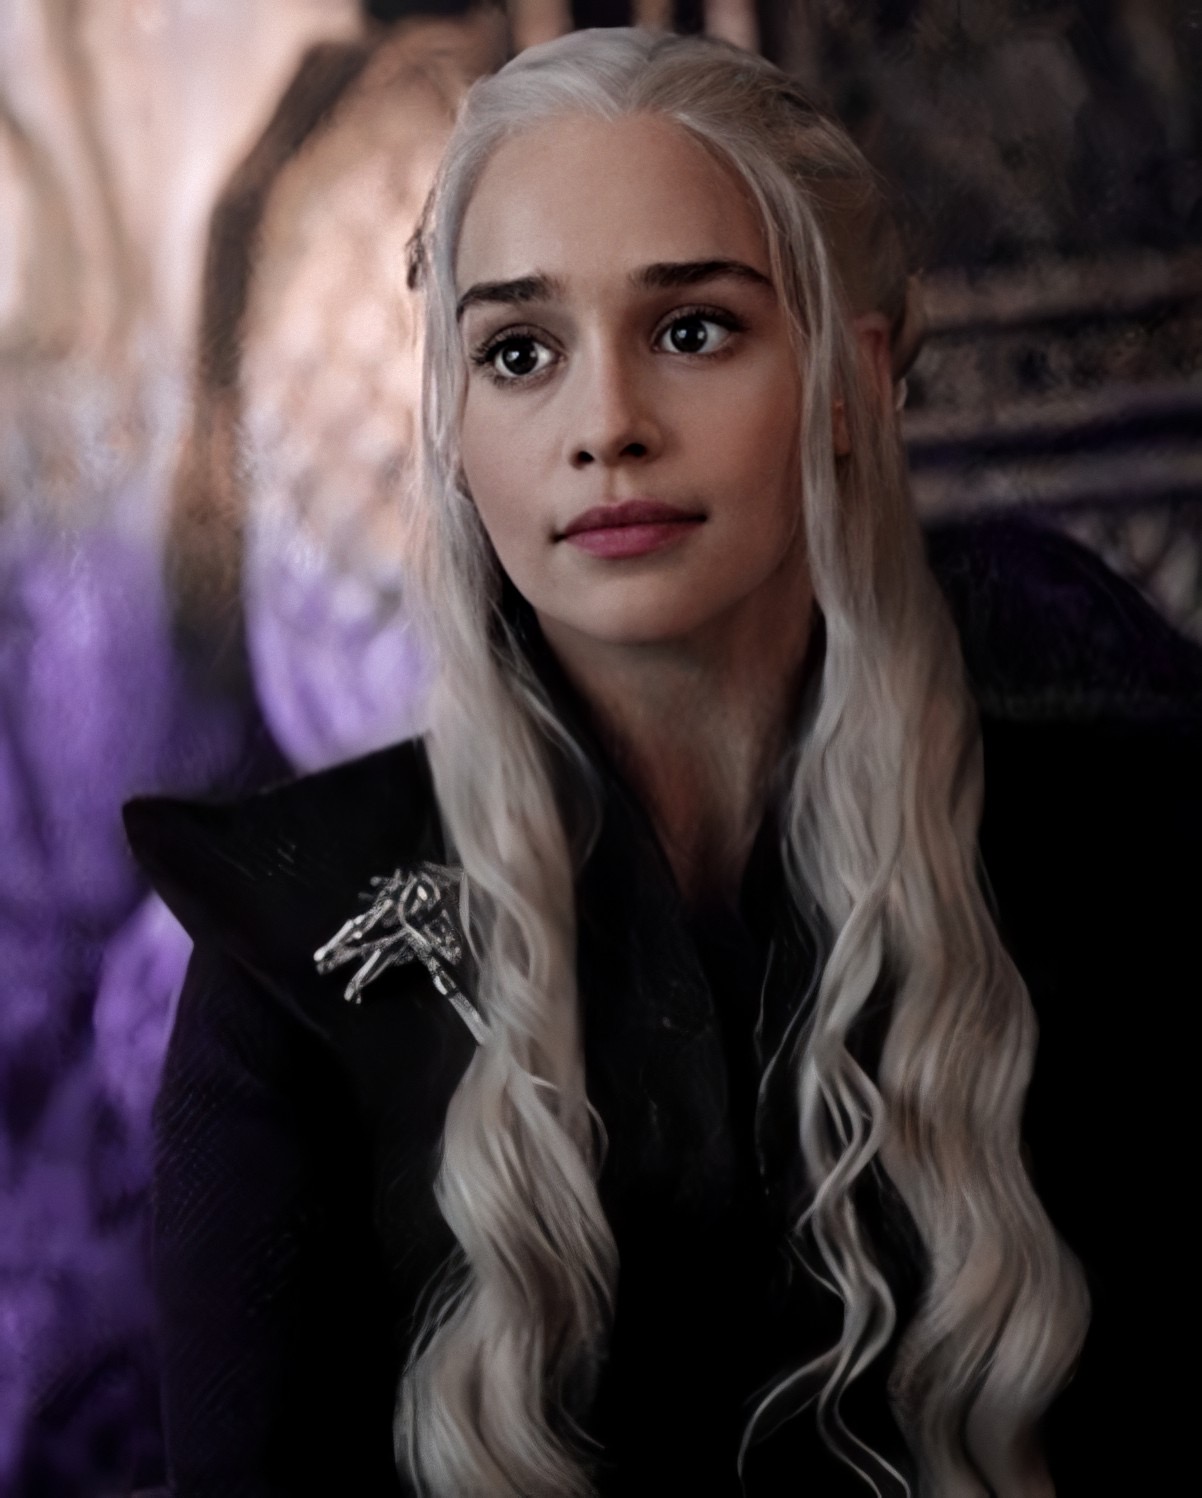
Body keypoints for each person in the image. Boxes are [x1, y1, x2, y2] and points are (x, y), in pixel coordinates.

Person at [124, 26, 1202, 1498]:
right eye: (519, 353)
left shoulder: (1120, 861)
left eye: (692, 330)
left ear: (850, 377)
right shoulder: (294, 950)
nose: (607, 428)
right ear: (455, 432)